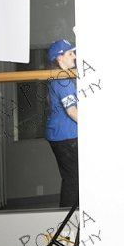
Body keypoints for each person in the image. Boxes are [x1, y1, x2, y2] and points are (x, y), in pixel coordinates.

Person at [46, 39, 79, 207]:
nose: (74, 56)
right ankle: (67, 217)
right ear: (60, 58)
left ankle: (69, 215)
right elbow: (72, 111)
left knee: (72, 177)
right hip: (66, 136)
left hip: (60, 135)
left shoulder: (60, 77)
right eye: (70, 53)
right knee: (74, 178)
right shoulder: (63, 80)